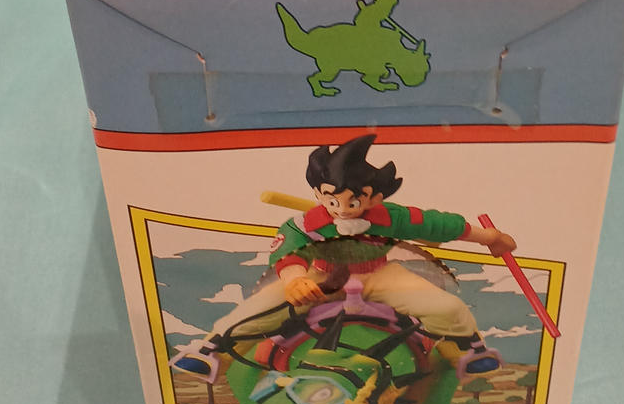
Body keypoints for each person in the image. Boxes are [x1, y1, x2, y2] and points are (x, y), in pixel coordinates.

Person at [173, 134, 515, 382]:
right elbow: (286, 253)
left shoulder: (392, 216)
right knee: (257, 309)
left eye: (353, 201)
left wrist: (490, 238)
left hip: (380, 275)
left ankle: (471, 351)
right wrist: (295, 280)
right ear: (317, 193)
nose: (342, 209)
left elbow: (440, 225)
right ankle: (210, 351)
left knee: (448, 307)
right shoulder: (305, 224)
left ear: (375, 197)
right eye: (332, 200)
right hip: (320, 277)